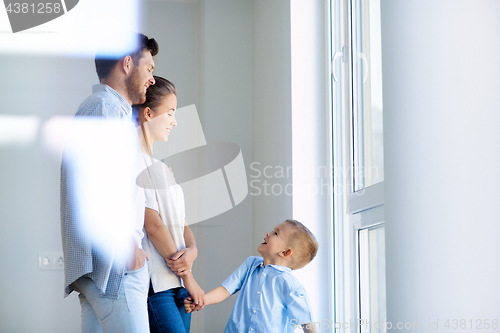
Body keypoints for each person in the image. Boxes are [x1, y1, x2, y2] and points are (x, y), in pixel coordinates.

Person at [60, 33, 158, 333]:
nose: (152, 80)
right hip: (115, 266)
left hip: (104, 267)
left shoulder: (105, 109)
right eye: (149, 68)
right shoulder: (107, 109)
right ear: (127, 63)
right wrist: (128, 247)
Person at [134, 76, 204, 333]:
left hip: (177, 284)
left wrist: (193, 249)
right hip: (158, 285)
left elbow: (180, 223)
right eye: (170, 113)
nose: (174, 121)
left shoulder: (161, 168)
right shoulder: (134, 163)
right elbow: (153, 226)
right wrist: (189, 277)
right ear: (149, 113)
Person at [184, 219, 318, 333]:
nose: (268, 233)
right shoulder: (251, 264)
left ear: (285, 252)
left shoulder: (291, 285)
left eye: (275, 233)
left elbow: (306, 322)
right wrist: (202, 300)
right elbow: (225, 289)